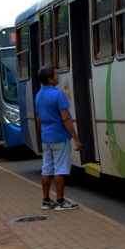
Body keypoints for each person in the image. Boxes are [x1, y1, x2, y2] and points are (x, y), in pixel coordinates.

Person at [33, 66, 82, 211]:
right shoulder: (58, 95)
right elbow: (65, 118)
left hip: (46, 137)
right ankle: (60, 201)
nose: (58, 76)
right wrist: (76, 139)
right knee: (60, 169)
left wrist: (43, 133)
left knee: (46, 169)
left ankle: (46, 201)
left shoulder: (38, 96)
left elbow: (38, 119)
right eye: (56, 74)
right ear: (50, 79)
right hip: (59, 136)